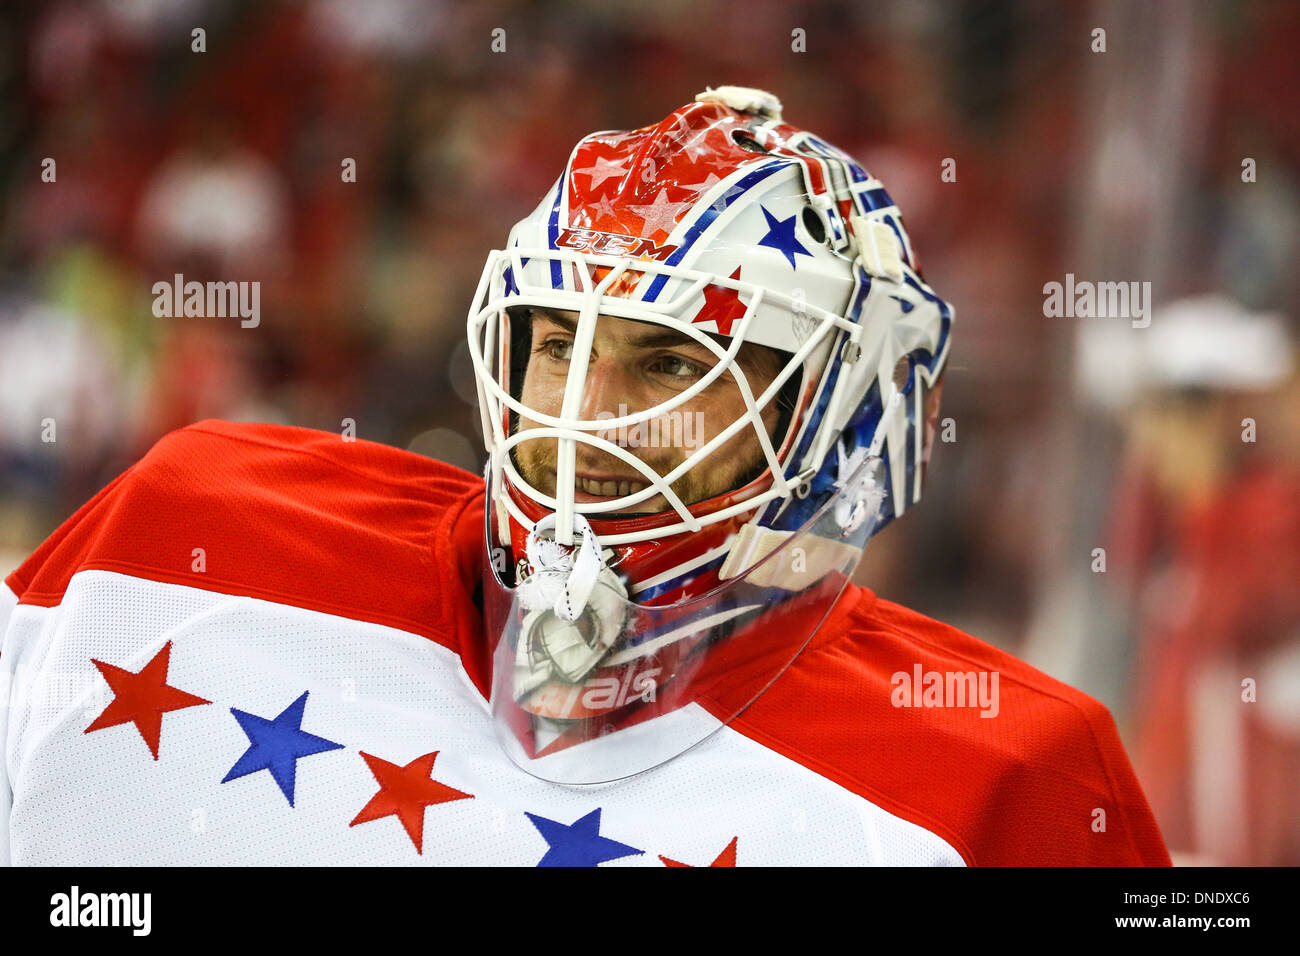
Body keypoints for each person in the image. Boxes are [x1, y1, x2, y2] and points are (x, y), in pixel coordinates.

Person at [0, 87, 1169, 865]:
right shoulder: (181, 530)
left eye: (673, 361)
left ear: (842, 412)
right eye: (559, 344)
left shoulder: (1007, 783)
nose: (582, 419)